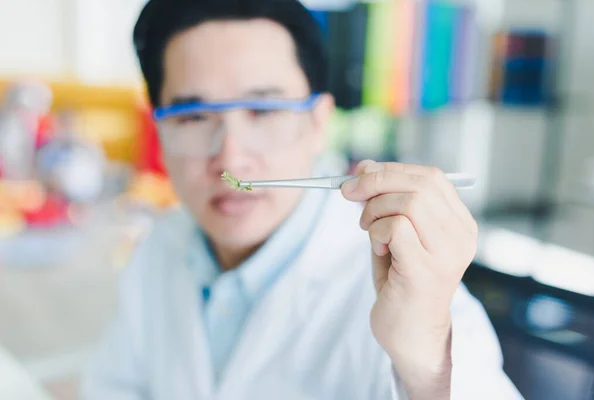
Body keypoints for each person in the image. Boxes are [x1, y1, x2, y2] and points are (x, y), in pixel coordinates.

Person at [81, 0, 523, 399]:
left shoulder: (408, 291)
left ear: (318, 123)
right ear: (159, 129)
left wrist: (426, 369)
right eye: (193, 116)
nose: (230, 157)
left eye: (265, 111)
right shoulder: (160, 250)